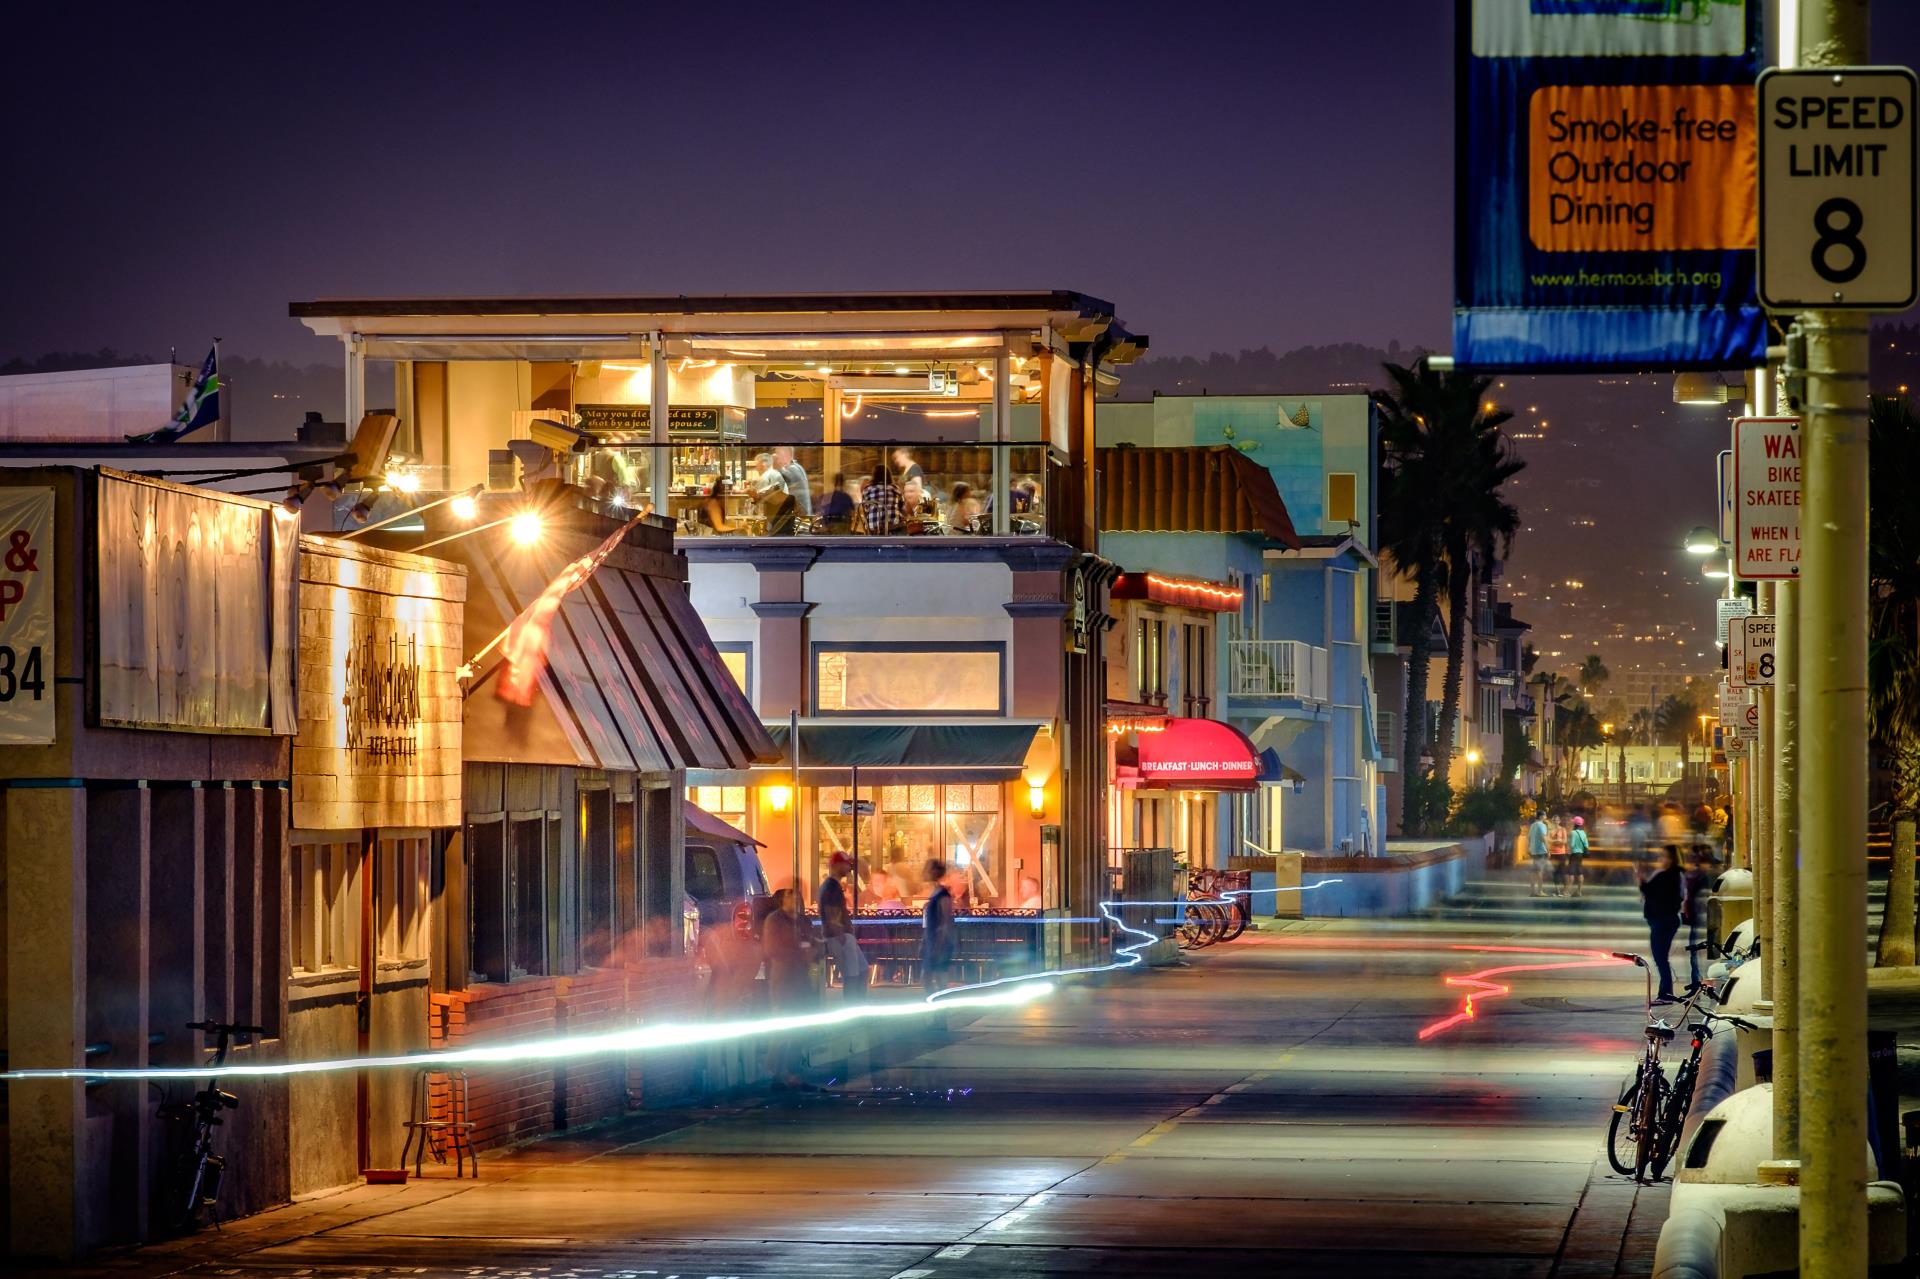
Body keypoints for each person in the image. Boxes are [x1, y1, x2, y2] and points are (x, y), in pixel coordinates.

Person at [760, 887, 814, 1087]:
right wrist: (800, 951)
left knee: (800, 1028)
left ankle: (793, 1072)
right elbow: (772, 949)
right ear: (783, 901)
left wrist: (814, 949)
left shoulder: (803, 922)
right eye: (792, 898)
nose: (796, 902)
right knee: (783, 1027)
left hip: (802, 979)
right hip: (783, 980)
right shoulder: (775, 921)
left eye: (798, 898)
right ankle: (776, 1073)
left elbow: (812, 943)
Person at [818, 853, 866, 1000]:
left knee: (861, 970)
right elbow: (831, 910)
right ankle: (853, 1006)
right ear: (837, 865)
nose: (849, 867)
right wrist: (840, 934)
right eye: (846, 864)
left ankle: (857, 1004)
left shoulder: (831, 886)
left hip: (841, 935)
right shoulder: (832, 887)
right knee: (852, 973)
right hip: (840, 936)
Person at [1640, 848, 1685, 1002]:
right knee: (1660, 957)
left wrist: (1641, 881)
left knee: (1660, 957)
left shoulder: (1669, 876)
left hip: (1663, 920)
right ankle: (1665, 992)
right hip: (1662, 919)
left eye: (1663, 856)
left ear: (1671, 859)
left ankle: (1665, 993)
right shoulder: (1668, 875)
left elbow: (1653, 892)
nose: (1660, 859)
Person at [921, 858, 957, 992]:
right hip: (934, 941)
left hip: (938, 942)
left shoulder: (942, 894)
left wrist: (939, 943)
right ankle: (939, 1005)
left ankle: (940, 1006)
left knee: (934, 976)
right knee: (931, 976)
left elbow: (945, 921)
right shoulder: (938, 893)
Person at [1683, 848, 1716, 988]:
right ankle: (1697, 982)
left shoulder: (1701, 877)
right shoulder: (1697, 877)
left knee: (1697, 952)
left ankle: (1698, 982)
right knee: (1695, 953)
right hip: (1699, 916)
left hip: (1701, 917)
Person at [860, 464, 902, 535]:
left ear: (874, 476)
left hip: (873, 529)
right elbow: (901, 507)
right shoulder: (895, 488)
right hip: (893, 528)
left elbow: (865, 509)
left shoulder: (867, 489)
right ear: (888, 475)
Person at [773, 445, 811, 516]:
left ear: (787, 455)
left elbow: (784, 477)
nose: (777, 457)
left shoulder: (793, 469)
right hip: (798, 513)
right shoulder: (796, 467)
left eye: (778, 454)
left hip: (800, 517)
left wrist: (777, 467)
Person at [1527, 810, 1551, 897]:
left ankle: (1532, 891)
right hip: (1541, 851)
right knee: (1540, 871)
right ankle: (1540, 891)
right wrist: (1548, 850)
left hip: (1534, 851)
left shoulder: (1533, 825)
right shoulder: (1542, 825)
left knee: (1534, 871)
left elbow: (1529, 837)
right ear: (1541, 816)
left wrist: (1529, 848)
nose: (1546, 817)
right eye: (1545, 815)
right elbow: (1544, 838)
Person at [1566, 815, 1589, 898]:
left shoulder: (1573, 833)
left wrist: (1568, 851)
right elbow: (1586, 844)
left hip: (1574, 854)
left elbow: (1571, 845)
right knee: (1580, 872)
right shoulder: (1583, 833)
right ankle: (1579, 891)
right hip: (1581, 854)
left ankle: (1567, 892)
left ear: (1575, 824)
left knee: (1570, 873)